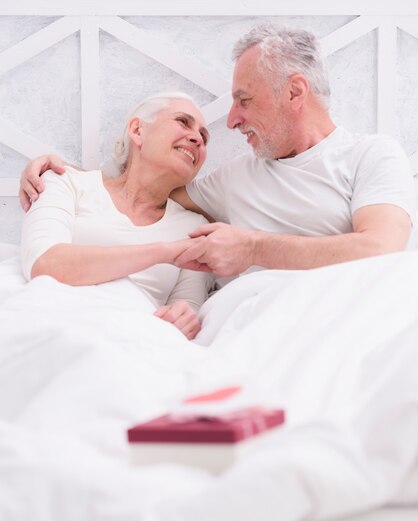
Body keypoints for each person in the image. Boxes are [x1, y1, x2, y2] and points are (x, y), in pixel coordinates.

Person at [19, 24, 416, 278]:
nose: (231, 121)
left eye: (244, 100)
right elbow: (141, 191)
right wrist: (66, 176)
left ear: (294, 92)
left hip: (349, 315)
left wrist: (254, 247)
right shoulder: (234, 180)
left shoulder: (373, 155)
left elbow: (380, 248)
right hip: (255, 327)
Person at [20, 92, 212, 339]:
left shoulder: (195, 229)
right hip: (56, 327)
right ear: (137, 130)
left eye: (204, 138)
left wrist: (185, 318)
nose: (197, 138)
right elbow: (44, 263)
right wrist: (164, 252)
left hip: (128, 341)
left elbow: (186, 310)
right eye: (183, 122)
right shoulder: (63, 180)